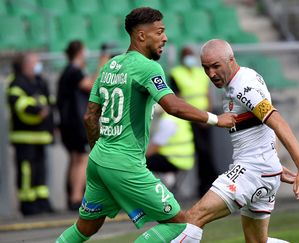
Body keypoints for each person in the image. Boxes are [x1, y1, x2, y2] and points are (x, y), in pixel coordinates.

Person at [55, 7, 236, 243]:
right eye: (159, 32)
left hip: (99, 160)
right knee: (181, 225)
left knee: (85, 228)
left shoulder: (110, 66)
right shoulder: (148, 67)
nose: (165, 38)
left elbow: (90, 117)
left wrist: (101, 153)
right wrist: (215, 119)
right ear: (141, 36)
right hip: (125, 164)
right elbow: (173, 106)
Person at [138, 39, 299, 243]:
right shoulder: (245, 78)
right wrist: (272, 162)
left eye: (215, 66)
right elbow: (262, 126)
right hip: (263, 169)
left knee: (192, 219)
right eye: (206, 68)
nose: (211, 73)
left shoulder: (242, 87)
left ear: (230, 60)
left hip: (251, 171)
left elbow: (276, 120)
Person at [57, 40, 109, 211]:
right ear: (79, 52)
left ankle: (73, 196)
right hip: (75, 123)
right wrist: (103, 63)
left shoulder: (69, 71)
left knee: (76, 158)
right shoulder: (73, 71)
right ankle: (76, 198)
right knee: (82, 158)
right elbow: (92, 85)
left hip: (69, 123)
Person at [7, 52, 54, 216]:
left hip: (41, 136)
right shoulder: (16, 82)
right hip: (24, 137)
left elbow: (50, 102)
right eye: (35, 62)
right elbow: (19, 104)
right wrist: (39, 110)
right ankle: (27, 204)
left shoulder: (40, 81)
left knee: (41, 171)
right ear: (26, 65)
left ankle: (42, 202)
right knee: (27, 171)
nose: (38, 65)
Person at [170, 46, 217, 196]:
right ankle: (209, 183)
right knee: (201, 151)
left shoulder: (200, 73)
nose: (189, 59)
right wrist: (196, 116)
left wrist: (207, 115)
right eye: (186, 55)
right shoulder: (176, 74)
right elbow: (178, 97)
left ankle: (207, 184)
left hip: (206, 118)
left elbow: (207, 94)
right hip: (189, 119)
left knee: (207, 151)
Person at [146, 110, 195, 190]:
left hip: (173, 160)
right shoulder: (179, 118)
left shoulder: (167, 120)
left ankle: (163, 182)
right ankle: (168, 177)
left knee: (142, 162)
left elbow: (156, 146)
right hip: (186, 160)